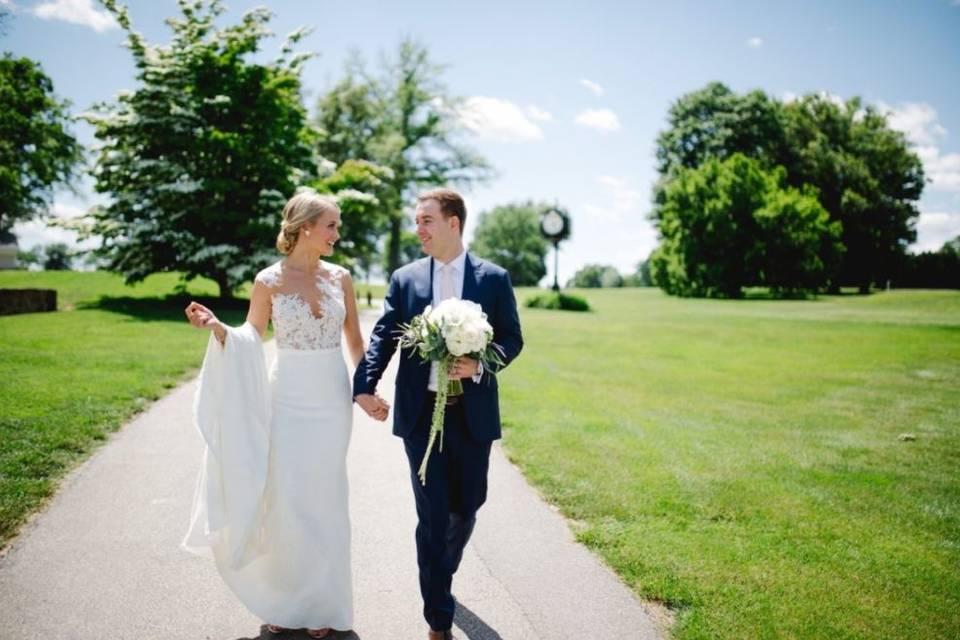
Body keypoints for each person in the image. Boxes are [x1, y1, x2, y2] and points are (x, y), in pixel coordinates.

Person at [181, 188, 389, 638]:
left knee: (326, 498)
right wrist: (219, 329)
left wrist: (365, 389)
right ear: (305, 227)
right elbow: (251, 337)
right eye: (331, 224)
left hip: (331, 401)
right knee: (288, 498)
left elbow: (356, 341)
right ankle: (285, 601)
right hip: (288, 398)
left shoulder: (342, 278)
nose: (337, 233)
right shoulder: (268, 280)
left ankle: (323, 604)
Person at [353, 188, 524, 640]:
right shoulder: (406, 278)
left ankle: (439, 573)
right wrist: (363, 385)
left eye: (426, 219)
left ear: (453, 223)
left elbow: (511, 338)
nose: (418, 228)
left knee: (466, 508)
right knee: (432, 516)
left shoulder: (494, 278)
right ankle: (438, 617)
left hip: (471, 414)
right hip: (421, 413)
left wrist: (482, 362)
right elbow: (384, 336)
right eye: (417, 220)